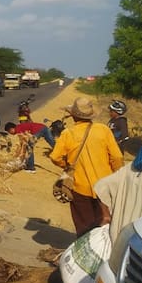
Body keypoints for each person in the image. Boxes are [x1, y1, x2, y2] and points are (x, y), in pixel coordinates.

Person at [50, 97, 124, 237]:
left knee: (84, 227)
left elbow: (55, 157)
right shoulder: (103, 130)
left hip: (79, 188)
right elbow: (117, 157)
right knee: (105, 227)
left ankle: (84, 253)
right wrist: (116, 176)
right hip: (105, 187)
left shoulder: (68, 133)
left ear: (72, 114)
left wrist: (68, 166)